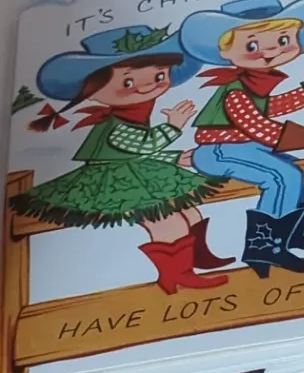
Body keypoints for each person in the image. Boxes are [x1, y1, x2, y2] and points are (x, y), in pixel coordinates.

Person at [11, 25, 232, 294]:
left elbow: (138, 152)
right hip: (113, 182)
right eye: (128, 82)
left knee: (189, 211)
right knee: (166, 221)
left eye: (159, 75)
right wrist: (173, 126)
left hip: (135, 170)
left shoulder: (136, 114)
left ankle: (199, 257)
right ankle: (176, 276)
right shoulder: (115, 123)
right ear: (92, 89)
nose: (148, 86)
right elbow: (142, 144)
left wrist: (174, 157)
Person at [180, 0, 304, 277]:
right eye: (252, 45)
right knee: (282, 176)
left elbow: (279, 105)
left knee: (298, 171)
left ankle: (290, 236)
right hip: (218, 151)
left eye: (283, 40)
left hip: (242, 147)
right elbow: (258, 127)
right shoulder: (236, 91)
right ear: (225, 51)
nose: (269, 51)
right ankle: (262, 248)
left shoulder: (254, 84)